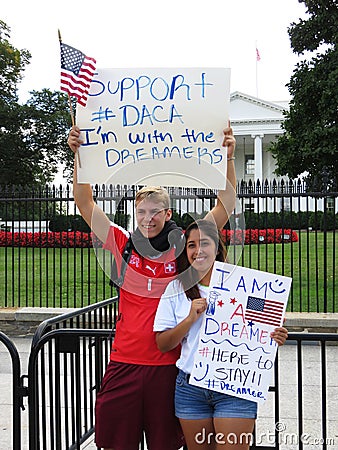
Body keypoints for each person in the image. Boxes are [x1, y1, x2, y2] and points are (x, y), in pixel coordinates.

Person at [67, 123, 237, 450]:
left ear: (168, 212)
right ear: (134, 212)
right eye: (141, 211)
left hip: (169, 367)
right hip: (125, 363)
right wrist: (80, 155)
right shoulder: (121, 243)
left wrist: (227, 157)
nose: (148, 218)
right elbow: (84, 202)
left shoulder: (186, 244)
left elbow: (225, 205)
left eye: (155, 211)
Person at [154, 219, 288, 450]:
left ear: (217, 248)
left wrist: (274, 333)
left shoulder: (242, 286)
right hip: (191, 389)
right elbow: (163, 344)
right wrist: (189, 319)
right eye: (192, 245)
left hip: (234, 386)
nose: (198, 251)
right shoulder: (177, 289)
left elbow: (264, 320)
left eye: (204, 243)